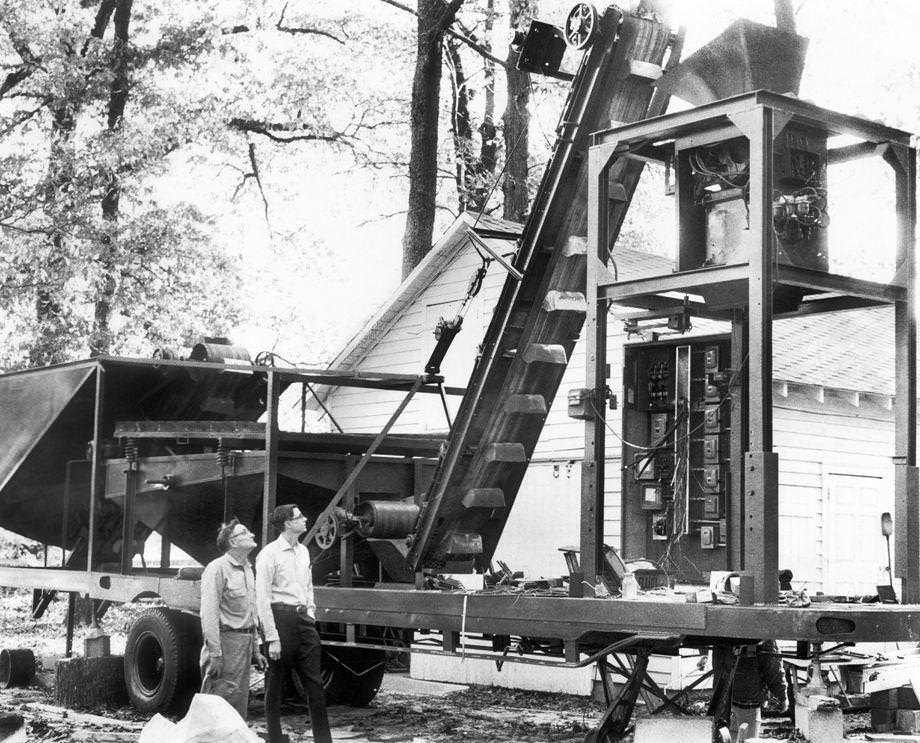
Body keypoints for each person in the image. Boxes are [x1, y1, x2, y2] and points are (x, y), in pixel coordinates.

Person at [255, 504, 332, 743]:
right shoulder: (269, 554)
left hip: (303, 621)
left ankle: (323, 740)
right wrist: (272, 637)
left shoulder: (303, 552)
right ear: (288, 523)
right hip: (280, 621)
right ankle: (275, 739)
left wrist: (310, 612)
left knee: (315, 684)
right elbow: (262, 598)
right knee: (275, 684)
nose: (306, 518)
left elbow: (307, 587)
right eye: (300, 517)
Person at [199, 518, 266, 719]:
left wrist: (255, 649)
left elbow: (250, 613)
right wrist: (216, 654)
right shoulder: (217, 568)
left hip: (243, 644)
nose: (252, 535)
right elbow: (208, 614)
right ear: (233, 542)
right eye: (245, 532)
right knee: (218, 708)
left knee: (237, 709)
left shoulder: (247, 569)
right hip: (225, 644)